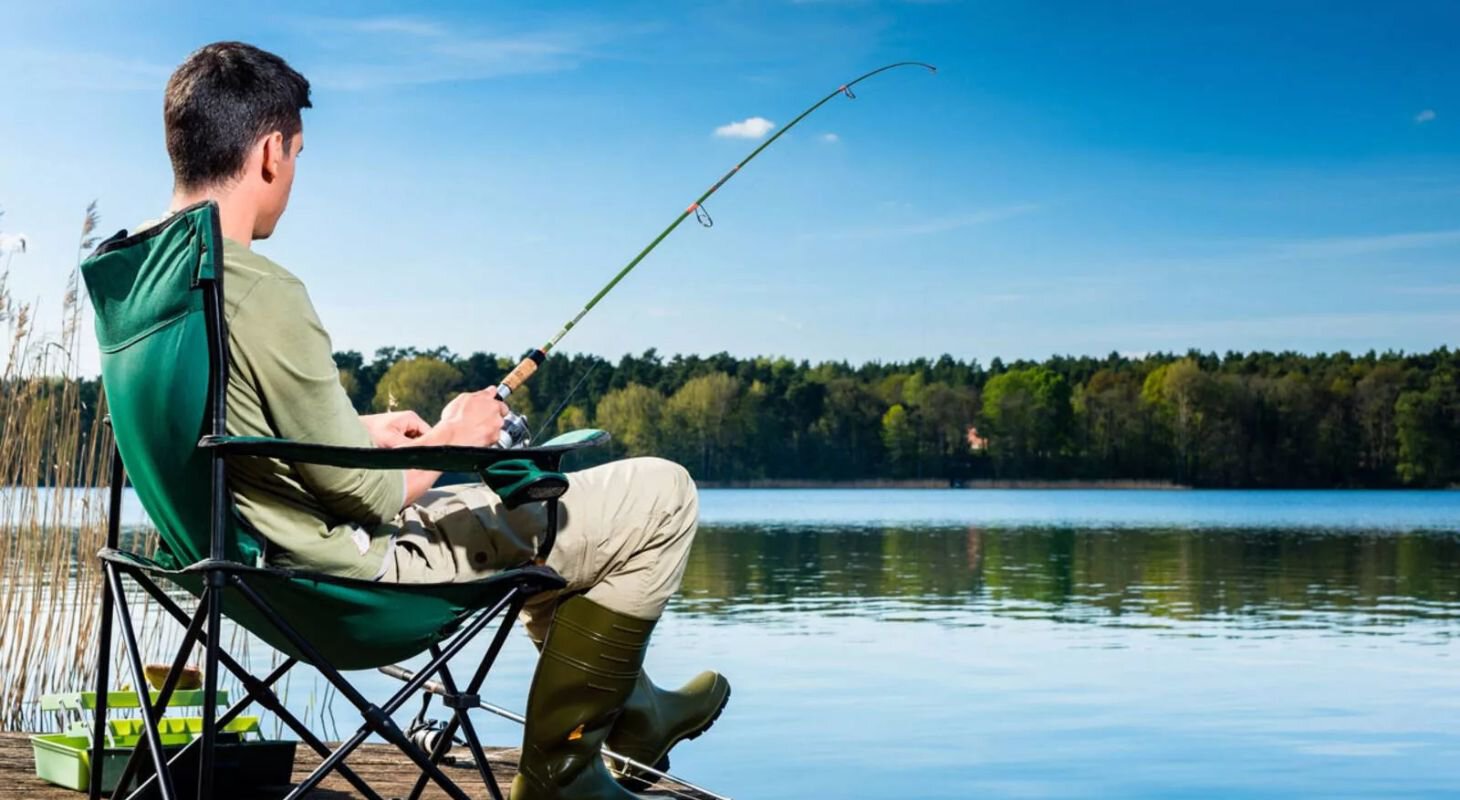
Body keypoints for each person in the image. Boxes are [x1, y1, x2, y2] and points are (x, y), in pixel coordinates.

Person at [148, 41, 730, 799]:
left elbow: (226, 433)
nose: (292, 174)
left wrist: (360, 432)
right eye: (296, 154)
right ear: (268, 153)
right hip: (348, 587)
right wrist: (459, 433)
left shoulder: (142, 275)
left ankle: (635, 708)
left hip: (238, 574)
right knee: (661, 495)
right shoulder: (261, 289)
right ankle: (565, 774)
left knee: (541, 504)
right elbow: (370, 500)